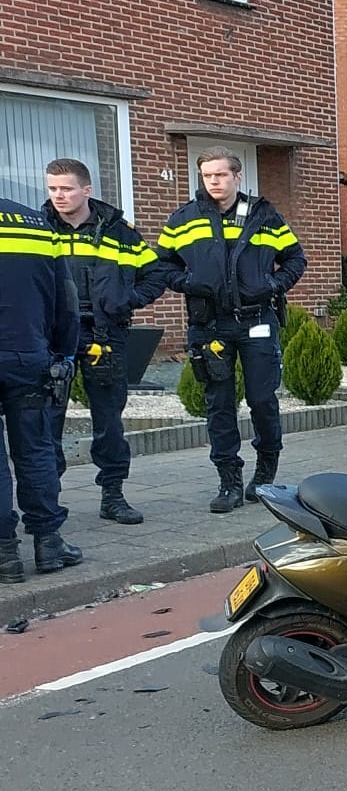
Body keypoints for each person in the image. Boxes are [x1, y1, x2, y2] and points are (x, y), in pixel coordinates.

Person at [153, 147, 306, 513]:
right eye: (207, 176)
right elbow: (160, 265)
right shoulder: (184, 219)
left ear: (238, 176)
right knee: (218, 406)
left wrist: (272, 285)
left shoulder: (265, 216)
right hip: (210, 325)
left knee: (262, 401)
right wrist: (188, 282)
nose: (214, 182)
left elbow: (296, 258)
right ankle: (229, 482)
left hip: (256, 321)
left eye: (221, 175)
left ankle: (265, 475)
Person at [44, 158, 167, 525]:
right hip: (53, 336)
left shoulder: (119, 232)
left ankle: (112, 495)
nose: (58, 196)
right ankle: (46, 500)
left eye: (66, 188)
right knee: (46, 420)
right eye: (52, 189)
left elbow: (156, 275)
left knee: (108, 421)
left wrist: (127, 301)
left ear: (87, 189)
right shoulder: (39, 228)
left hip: (105, 334)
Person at [0, 196, 84, 581]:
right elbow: (66, 302)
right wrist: (62, 355)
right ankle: (48, 542)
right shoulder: (35, 224)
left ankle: (5, 555)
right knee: (35, 449)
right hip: (29, 357)